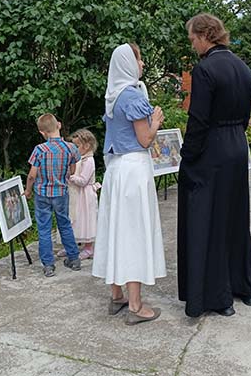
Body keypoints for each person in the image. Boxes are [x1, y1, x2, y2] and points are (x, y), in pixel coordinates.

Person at [177, 13, 251, 318]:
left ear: (204, 35)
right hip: (237, 143)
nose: (192, 44)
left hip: (212, 149)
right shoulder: (243, 68)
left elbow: (198, 120)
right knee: (236, 216)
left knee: (208, 219)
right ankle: (246, 288)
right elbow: (246, 118)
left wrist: (187, 157)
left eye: (193, 39)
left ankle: (218, 297)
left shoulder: (205, 69)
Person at [92, 43, 166, 325]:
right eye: (139, 58)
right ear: (127, 63)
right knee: (133, 233)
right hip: (133, 169)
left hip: (115, 170)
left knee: (115, 229)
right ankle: (136, 305)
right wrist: (156, 121)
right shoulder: (133, 96)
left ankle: (117, 295)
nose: (143, 63)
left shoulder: (113, 95)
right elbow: (145, 139)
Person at [24, 113, 81, 278]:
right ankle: (74, 259)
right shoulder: (71, 148)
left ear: (42, 132)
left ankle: (48, 265)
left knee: (44, 229)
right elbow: (72, 170)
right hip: (61, 193)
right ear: (59, 125)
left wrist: (28, 190)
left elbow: (32, 175)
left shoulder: (39, 150)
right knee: (64, 224)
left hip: (42, 194)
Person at [67, 128, 99, 260]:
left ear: (86, 146)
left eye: (77, 146)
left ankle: (89, 247)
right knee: (76, 218)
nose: (74, 149)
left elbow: (83, 180)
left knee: (87, 219)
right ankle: (72, 244)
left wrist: (71, 177)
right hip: (78, 194)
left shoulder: (89, 161)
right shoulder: (80, 158)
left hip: (86, 195)